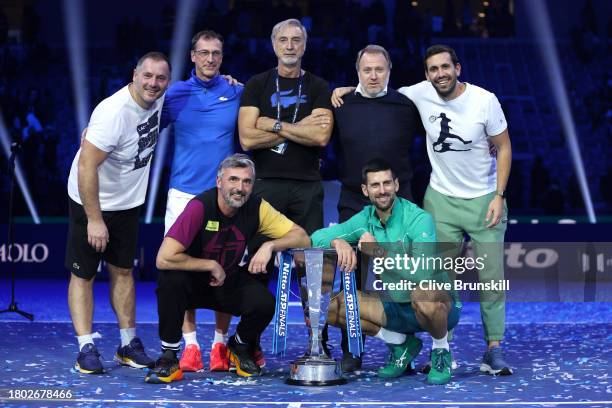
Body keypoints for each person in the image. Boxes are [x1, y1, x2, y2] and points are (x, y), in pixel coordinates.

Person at [332, 44, 513, 375]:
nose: (440, 74)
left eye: (445, 67)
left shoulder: (477, 100)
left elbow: (503, 145)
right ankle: (416, 347)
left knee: (484, 278)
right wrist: (347, 89)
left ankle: (489, 349)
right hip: (435, 200)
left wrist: (499, 194)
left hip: (478, 199)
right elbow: (372, 91)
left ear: (457, 68)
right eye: (433, 69)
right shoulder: (405, 96)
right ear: (426, 75)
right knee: (424, 279)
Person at [145, 154, 311, 383]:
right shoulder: (199, 207)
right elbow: (163, 258)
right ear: (219, 182)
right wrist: (210, 265)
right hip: (192, 283)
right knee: (170, 280)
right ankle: (169, 355)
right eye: (233, 180)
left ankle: (239, 346)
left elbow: (302, 238)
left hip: (226, 283)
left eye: (246, 182)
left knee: (264, 303)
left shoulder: (257, 207)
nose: (240, 188)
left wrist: (270, 244)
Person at [66, 52, 171, 374]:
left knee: (123, 271)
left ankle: (128, 344)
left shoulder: (162, 96)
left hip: (128, 202)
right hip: (92, 199)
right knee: (83, 274)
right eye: (147, 76)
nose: (153, 83)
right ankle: (86, 347)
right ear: (134, 75)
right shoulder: (113, 113)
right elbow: (86, 166)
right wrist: (94, 219)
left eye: (160, 78)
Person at [311, 159, 461, 385]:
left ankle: (441, 351)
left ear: (396, 185)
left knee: (425, 294)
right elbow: (316, 237)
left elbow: (423, 275)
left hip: (437, 306)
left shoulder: (418, 219)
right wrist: (337, 241)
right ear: (365, 190)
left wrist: (378, 252)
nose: (382, 191)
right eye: (375, 185)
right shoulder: (365, 218)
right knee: (333, 307)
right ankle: (401, 343)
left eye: (387, 183)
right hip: (394, 306)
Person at [323, 44, 422, 372]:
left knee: (399, 279)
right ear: (357, 72)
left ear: (390, 71)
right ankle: (353, 348)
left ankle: (401, 351)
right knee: (353, 275)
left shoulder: (407, 106)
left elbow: (441, 133)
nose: (374, 75)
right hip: (354, 201)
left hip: (398, 203)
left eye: (380, 69)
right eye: (367, 70)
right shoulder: (341, 104)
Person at [160, 30, 244, 374]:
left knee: (228, 268)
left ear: (222, 58)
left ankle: (219, 344)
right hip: (182, 194)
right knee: (180, 269)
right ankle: (190, 345)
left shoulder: (237, 91)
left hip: (226, 198)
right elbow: (141, 120)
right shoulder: (175, 94)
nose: (210, 59)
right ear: (192, 56)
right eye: (204, 53)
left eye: (216, 53)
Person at [238, 18, 333, 274]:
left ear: (304, 46)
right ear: (273, 45)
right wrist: (302, 127)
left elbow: (321, 137)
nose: (289, 46)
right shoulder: (257, 84)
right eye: (283, 40)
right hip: (266, 182)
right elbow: (247, 139)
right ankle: (257, 316)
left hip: (308, 184)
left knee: (310, 261)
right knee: (260, 259)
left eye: (296, 40)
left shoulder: (319, 86)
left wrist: (273, 125)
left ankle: (312, 316)